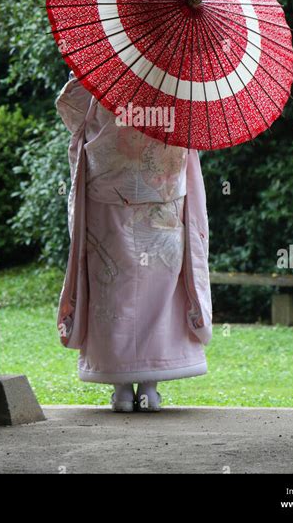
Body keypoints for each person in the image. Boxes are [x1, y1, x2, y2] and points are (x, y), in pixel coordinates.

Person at [56, 70, 212, 412]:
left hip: (108, 192)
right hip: (163, 193)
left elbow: (72, 112)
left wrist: (83, 75)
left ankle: (121, 387)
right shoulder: (178, 69)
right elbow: (198, 124)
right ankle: (151, 387)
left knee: (113, 288)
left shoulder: (104, 61)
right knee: (162, 289)